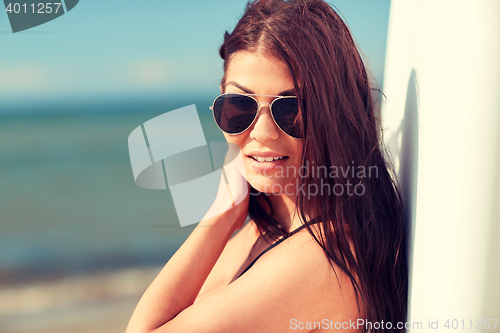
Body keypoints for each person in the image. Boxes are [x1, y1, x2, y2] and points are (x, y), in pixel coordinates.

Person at [125, 0, 408, 332]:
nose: (261, 133)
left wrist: (218, 218)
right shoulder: (268, 225)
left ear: (335, 113)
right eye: (239, 106)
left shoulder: (326, 257)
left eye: (292, 110)